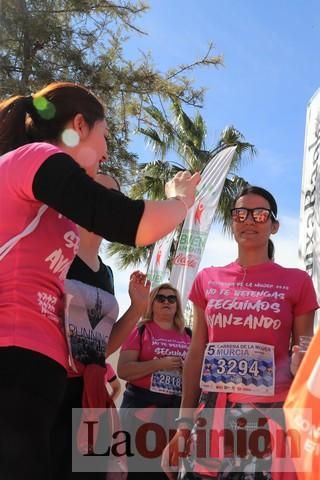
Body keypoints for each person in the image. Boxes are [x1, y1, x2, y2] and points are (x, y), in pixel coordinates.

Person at [0, 81, 200, 480]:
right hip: (12, 354)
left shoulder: (49, 203)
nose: (107, 151)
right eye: (105, 135)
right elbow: (127, 222)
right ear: (79, 124)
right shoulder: (35, 158)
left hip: (43, 368)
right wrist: (181, 200)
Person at [163, 186, 318, 480]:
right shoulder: (207, 279)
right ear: (233, 222)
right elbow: (196, 354)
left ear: (274, 226)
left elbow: (305, 358)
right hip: (210, 416)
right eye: (241, 214)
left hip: (266, 418)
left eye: (260, 215)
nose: (249, 220)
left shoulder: (296, 282)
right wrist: (183, 424)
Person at [52, 172, 150, 480]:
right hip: (49, 390)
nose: (104, 204)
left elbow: (101, 348)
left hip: (90, 398)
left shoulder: (107, 274)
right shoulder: (54, 254)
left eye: (114, 199)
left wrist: (137, 308)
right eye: (97, 192)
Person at [118, 283, 192, 480]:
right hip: (141, 414)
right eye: (161, 298)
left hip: (175, 415)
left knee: (169, 471)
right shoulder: (141, 330)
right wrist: (159, 364)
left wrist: (187, 371)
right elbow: (124, 370)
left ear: (177, 304)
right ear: (152, 303)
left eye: (171, 298)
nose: (166, 302)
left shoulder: (189, 335)